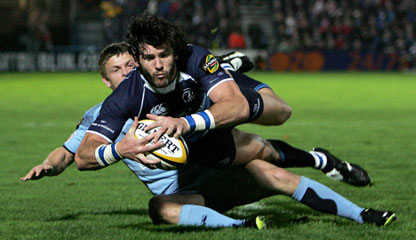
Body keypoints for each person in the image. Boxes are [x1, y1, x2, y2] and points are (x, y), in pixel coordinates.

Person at [22, 42, 395, 228]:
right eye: (117, 70)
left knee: (266, 159)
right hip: (186, 192)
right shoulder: (100, 117)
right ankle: (241, 226)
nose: (126, 73)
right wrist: (47, 165)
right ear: (106, 80)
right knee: (160, 209)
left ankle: (364, 214)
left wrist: (214, 79)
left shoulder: (162, 92)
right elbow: (70, 155)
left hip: (216, 161)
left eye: (130, 66)